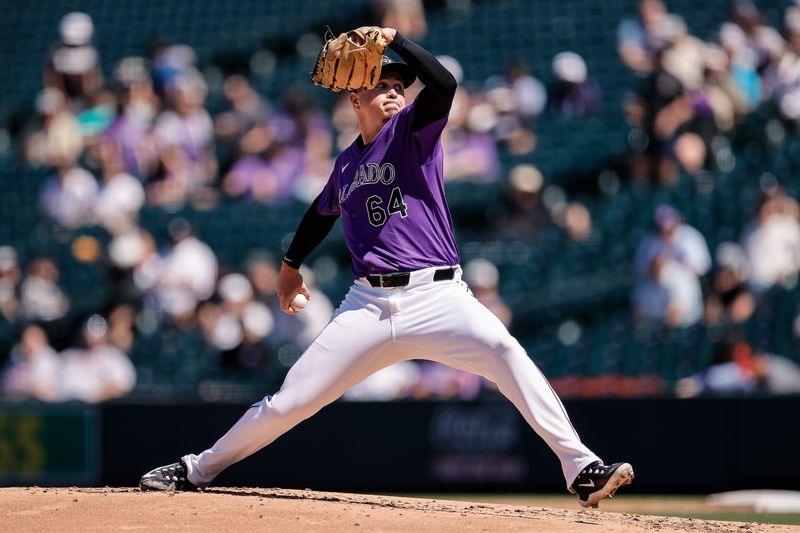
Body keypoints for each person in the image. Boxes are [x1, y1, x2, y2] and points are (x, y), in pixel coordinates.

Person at [139, 27, 634, 508]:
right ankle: (196, 468)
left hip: (439, 295)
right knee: (289, 402)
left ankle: (581, 468)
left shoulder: (412, 133)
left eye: (400, 86)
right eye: (383, 86)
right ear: (355, 99)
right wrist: (290, 266)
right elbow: (320, 211)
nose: (396, 93)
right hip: (368, 305)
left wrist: (395, 38)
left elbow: (443, 84)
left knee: (505, 350)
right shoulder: (348, 164)